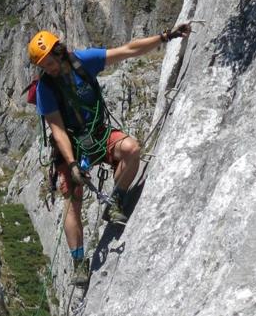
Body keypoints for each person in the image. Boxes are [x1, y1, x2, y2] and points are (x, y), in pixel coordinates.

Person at [27, 24, 191, 286]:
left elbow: (128, 50)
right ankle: (79, 263)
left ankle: (115, 201)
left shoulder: (85, 60)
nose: (49, 68)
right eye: (43, 65)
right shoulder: (46, 89)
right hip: (72, 147)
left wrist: (165, 37)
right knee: (72, 202)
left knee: (132, 149)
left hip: (99, 133)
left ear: (59, 51)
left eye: (50, 62)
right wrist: (71, 164)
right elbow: (57, 131)